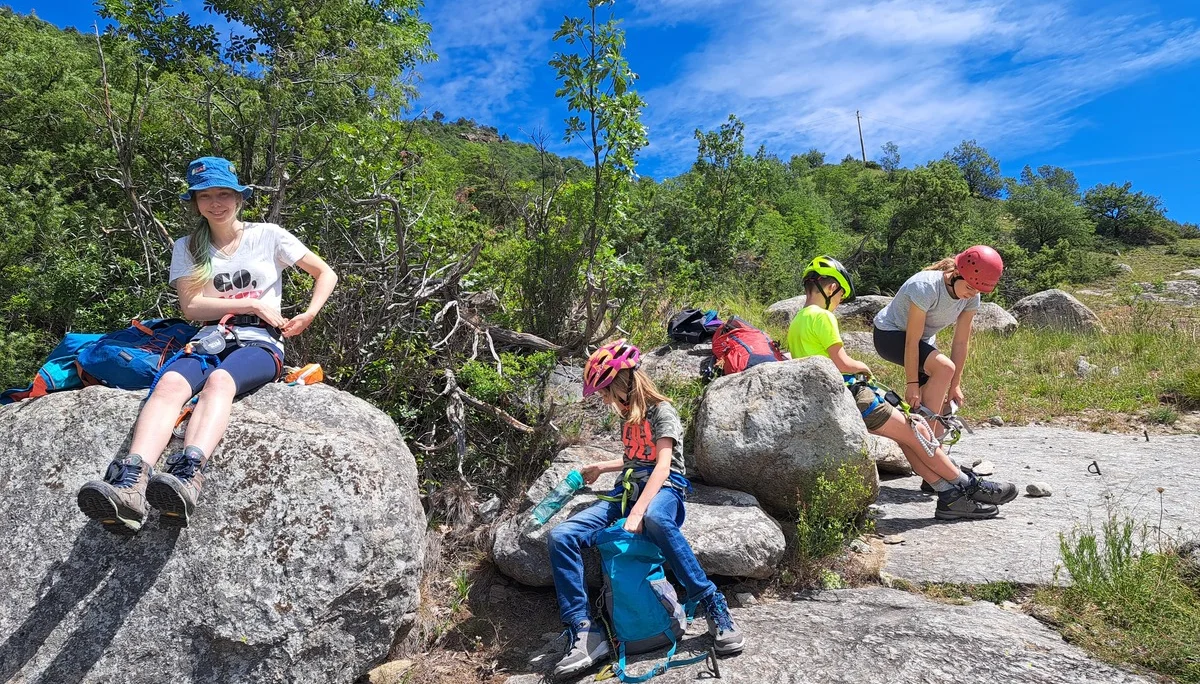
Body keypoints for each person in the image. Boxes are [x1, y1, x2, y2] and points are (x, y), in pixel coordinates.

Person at [76, 156, 338, 535]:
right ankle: (130, 484)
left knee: (220, 383)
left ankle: (187, 475)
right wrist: (250, 302)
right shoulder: (188, 246)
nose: (216, 203)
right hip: (209, 337)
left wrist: (310, 313)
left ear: (239, 197)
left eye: (224, 194)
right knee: (169, 386)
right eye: (206, 196)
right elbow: (191, 306)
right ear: (195, 203)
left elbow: (324, 272)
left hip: (261, 342)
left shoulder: (269, 235)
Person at [546, 340, 744, 679]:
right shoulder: (627, 416)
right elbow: (634, 460)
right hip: (628, 488)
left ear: (621, 383)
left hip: (664, 490)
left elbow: (663, 466)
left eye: (606, 391)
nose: (605, 399)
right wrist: (602, 467)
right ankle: (584, 630)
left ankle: (712, 602)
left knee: (655, 518)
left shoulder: (661, 411)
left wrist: (636, 513)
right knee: (561, 536)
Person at [787, 256, 1016, 520]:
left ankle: (949, 495)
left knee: (913, 432)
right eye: (840, 297)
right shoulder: (823, 317)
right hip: (853, 395)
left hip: (834, 398)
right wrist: (864, 367)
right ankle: (968, 485)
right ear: (831, 289)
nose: (838, 304)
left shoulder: (798, 321)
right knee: (917, 432)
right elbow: (841, 362)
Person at [872, 245, 1003, 424]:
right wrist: (912, 384)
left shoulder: (972, 296)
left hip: (921, 342)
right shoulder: (926, 287)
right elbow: (912, 341)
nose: (972, 294)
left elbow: (961, 343)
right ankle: (924, 441)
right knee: (944, 368)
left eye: (978, 290)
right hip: (889, 335)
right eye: (969, 287)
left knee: (936, 412)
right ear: (957, 272)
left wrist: (955, 385)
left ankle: (927, 443)